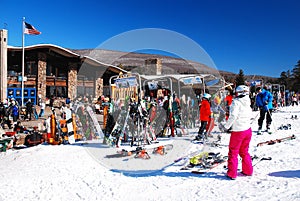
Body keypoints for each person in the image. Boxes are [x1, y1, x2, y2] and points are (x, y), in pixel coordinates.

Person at [221, 85, 253, 180]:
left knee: (233, 152)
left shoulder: (236, 102)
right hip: (247, 129)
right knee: (244, 151)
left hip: (238, 131)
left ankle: (232, 173)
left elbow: (233, 116)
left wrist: (226, 127)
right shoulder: (248, 101)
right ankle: (248, 170)